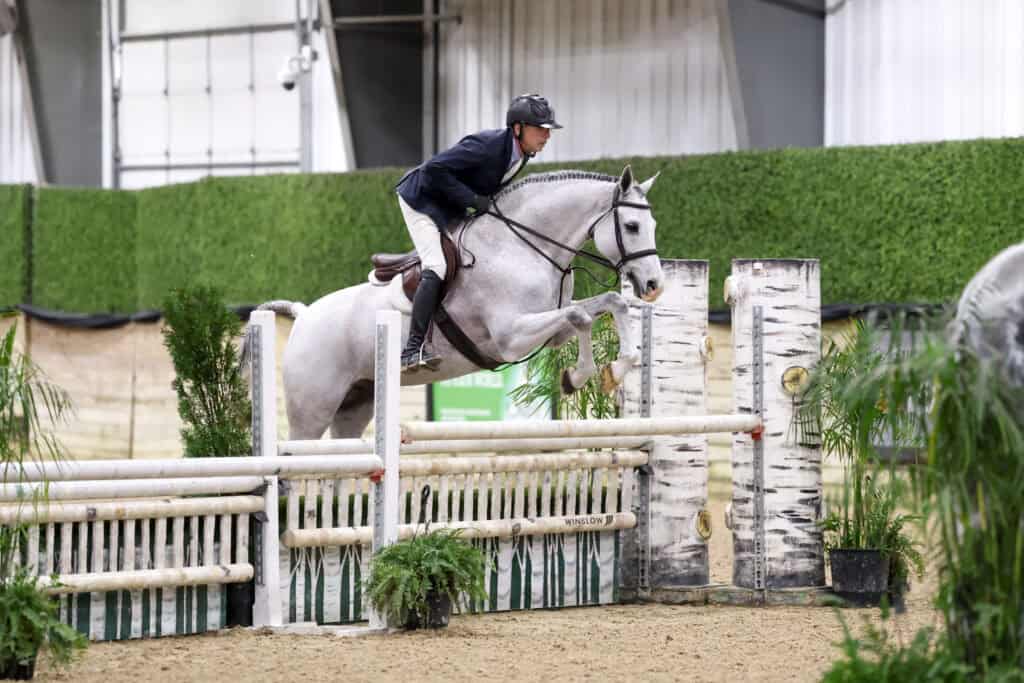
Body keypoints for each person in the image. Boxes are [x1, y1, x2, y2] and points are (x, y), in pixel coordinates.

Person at [394, 93, 563, 372]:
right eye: (540, 129)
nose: (546, 136)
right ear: (518, 128)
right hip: (420, 200)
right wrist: (472, 200)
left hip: (449, 205)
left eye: (548, 130)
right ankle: (412, 349)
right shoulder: (487, 146)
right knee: (437, 264)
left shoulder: (522, 154)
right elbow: (435, 169)